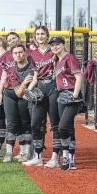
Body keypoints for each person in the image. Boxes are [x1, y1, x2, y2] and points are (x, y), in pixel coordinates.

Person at [22, 26, 61, 167]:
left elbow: (59, 71)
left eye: (42, 34)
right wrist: (28, 90)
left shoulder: (54, 50)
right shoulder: (33, 54)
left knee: (55, 124)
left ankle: (55, 157)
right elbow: (35, 76)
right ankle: (38, 156)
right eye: (37, 34)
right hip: (39, 89)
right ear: (34, 37)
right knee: (35, 123)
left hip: (53, 87)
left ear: (47, 35)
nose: (40, 36)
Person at [51, 36, 83, 170]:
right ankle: (69, 157)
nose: (55, 47)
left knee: (62, 126)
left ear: (63, 45)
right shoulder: (57, 61)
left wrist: (75, 95)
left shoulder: (70, 58)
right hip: (61, 95)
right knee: (68, 127)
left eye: (57, 44)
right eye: (52, 45)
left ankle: (68, 156)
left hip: (71, 94)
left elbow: (79, 76)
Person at [0, 44, 35, 163]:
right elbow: (18, 92)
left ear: (25, 53)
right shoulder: (11, 69)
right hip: (11, 93)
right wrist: (24, 83)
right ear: (12, 55)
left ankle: (25, 152)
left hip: (25, 96)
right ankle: (9, 152)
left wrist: (25, 85)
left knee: (26, 123)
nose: (18, 55)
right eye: (15, 53)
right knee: (12, 123)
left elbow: (24, 91)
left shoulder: (31, 68)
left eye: (20, 52)